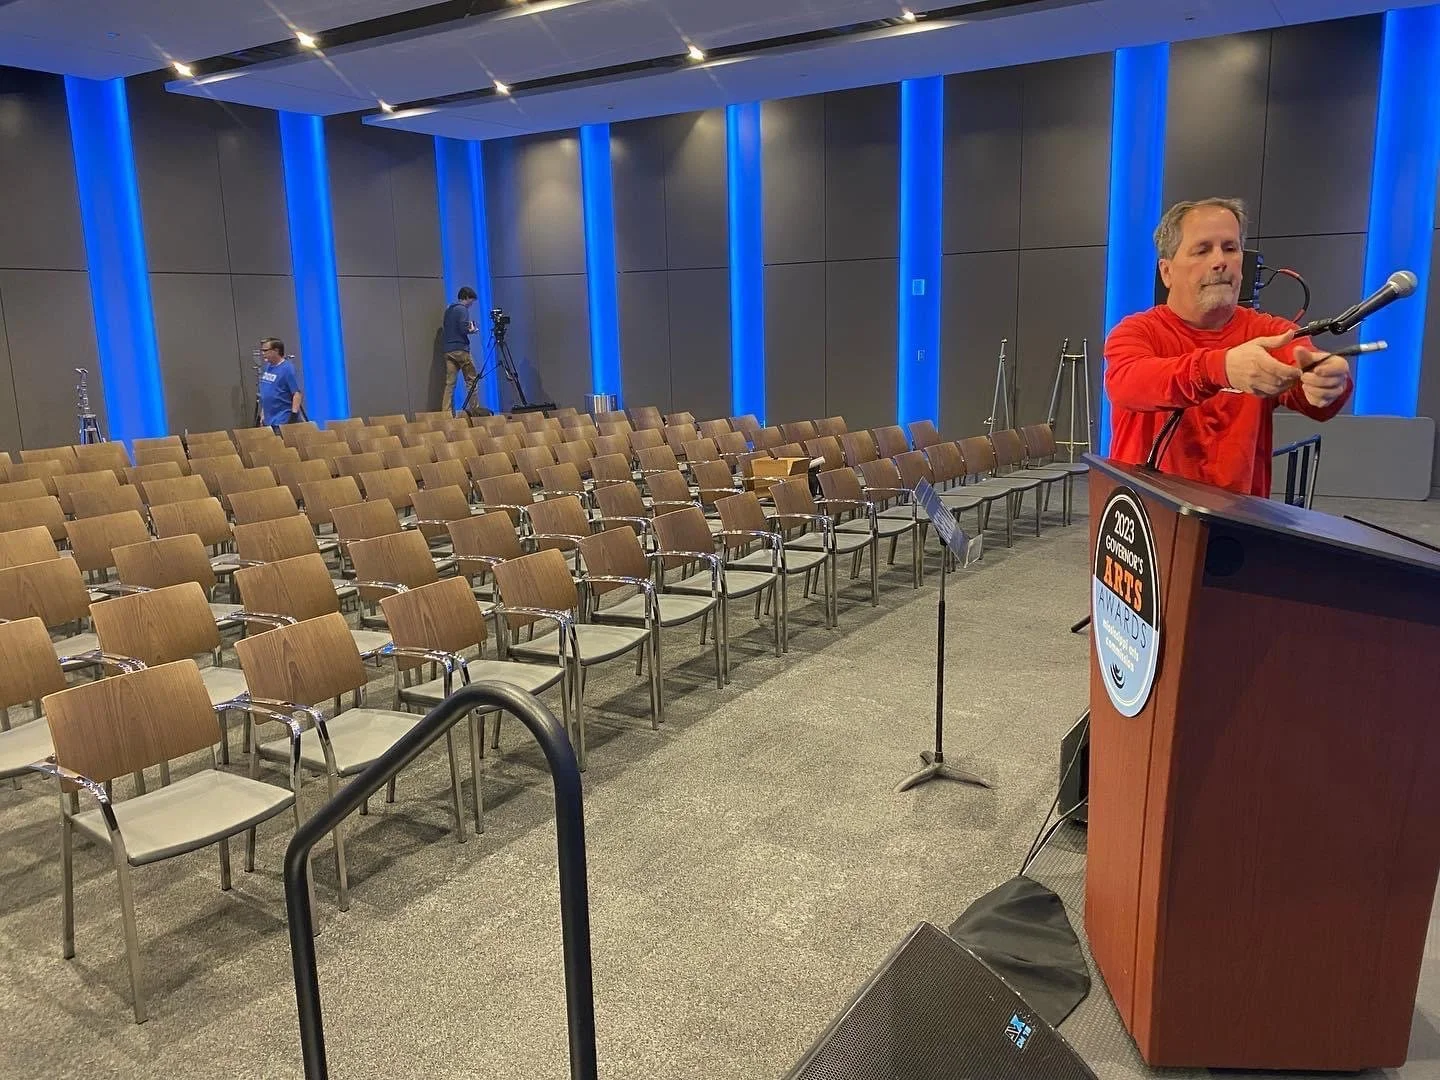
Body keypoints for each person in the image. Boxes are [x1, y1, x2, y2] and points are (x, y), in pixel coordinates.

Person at [1104, 197, 1353, 497]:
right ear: (1167, 271)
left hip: (1239, 523)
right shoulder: (1137, 332)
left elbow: (1310, 389)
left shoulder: (1270, 332)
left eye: (1230, 248)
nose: (1220, 261)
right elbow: (1127, 383)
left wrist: (1328, 382)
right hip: (1148, 523)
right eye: (1203, 250)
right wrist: (1219, 368)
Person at [441, 286, 479, 415]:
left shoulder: (449, 309)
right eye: (471, 301)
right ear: (466, 298)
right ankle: (475, 411)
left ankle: (446, 413)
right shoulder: (462, 310)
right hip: (461, 349)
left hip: (448, 350)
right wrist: (472, 330)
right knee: (471, 380)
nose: (471, 305)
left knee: (450, 384)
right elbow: (463, 329)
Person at [257, 337, 302, 431]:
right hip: (269, 420)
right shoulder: (268, 367)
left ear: (276, 351)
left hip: (282, 420)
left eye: (265, 350)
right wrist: (263, 414)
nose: (263, 353)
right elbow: (266, 393)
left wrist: (293, 416)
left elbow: (296, 394)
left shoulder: (287, 369)